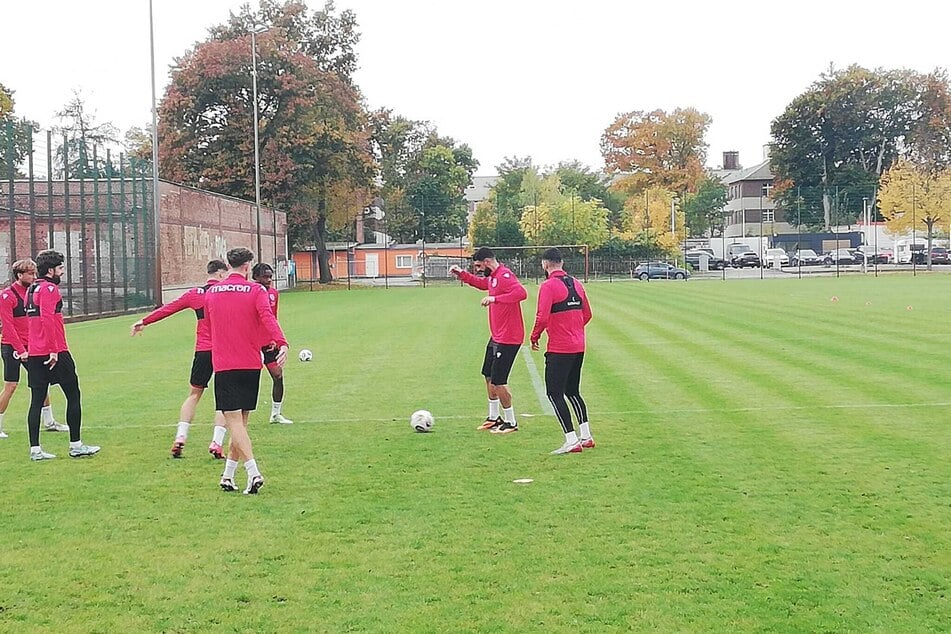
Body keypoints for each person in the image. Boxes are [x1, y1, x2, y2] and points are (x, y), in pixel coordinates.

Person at [205, 248, 288, 494]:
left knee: (234, 424)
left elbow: (210, 326)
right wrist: (282, 342)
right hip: (251, 364)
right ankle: (228, 476)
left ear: (229, 265)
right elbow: (267, 318)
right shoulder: (256, 291)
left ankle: (253, 472)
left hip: (225, 364)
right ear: (247, 266)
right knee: (240, 424)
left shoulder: (212, 293)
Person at [131, 259, 230, 458]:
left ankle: (180, 437)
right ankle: (216, 443)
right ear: (220, 274)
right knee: (226, 400)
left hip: (202, 351)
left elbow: (170, 308)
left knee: (194, 394)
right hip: (224, 351)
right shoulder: (226, 293)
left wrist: (145, 321)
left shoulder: (195, 294)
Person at [24, 249, 99, 460]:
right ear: (50, 270)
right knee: (73, 395)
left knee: (36, 400)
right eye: (60, 268)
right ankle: (76, 445)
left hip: (35, 352)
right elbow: (47, 319)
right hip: (55, 350)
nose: (62, 272)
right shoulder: (49, 289)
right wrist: (54, 350)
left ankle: (35, 450)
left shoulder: (31, 289)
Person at [449, 247, 527, 434]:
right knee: (488, 375)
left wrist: (495, 299)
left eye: (477, 265)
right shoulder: (493, 277)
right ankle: (494, 417)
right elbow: (482, 283)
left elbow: (521, 294)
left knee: (499, 380)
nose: (477, 269)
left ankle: (511, 422)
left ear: (487, 261)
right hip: (497, 336)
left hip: (509, 337)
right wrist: (462, 274)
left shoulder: (505, 275)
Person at [529, 248, 594, 455]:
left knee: (554, 393)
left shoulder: (548, 286)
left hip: (560, 348)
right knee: (573, 391)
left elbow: (542, 316)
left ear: (545, 264)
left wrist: (535, 336)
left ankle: (571, 439)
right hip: (578, 346)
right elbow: (587, 314)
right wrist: (573, 328)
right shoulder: (577, 283)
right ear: (562, 263)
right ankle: (586, 435)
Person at [0, 259, 69, 439]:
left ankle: (49, 421)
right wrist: (20, 350)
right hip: (12, 347)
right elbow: (7, 327)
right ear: (19, 275)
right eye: (29, 274)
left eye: (34, 273)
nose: (33, 277)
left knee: (41, 382)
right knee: (11, 385)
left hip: (32, 347)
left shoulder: (34, 291)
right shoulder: (7, 295)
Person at [251, 262, 293, 425]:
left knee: (278, 376)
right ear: (255, 277)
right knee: (250, 379)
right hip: (252, 344)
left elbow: (272, 318)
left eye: (270, 277)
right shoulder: (251, 293)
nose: (268, 280)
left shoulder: (273, 293)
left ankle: (276, 414)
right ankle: (239, 414)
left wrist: (275, 339)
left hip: (269, 344)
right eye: (265, 277)